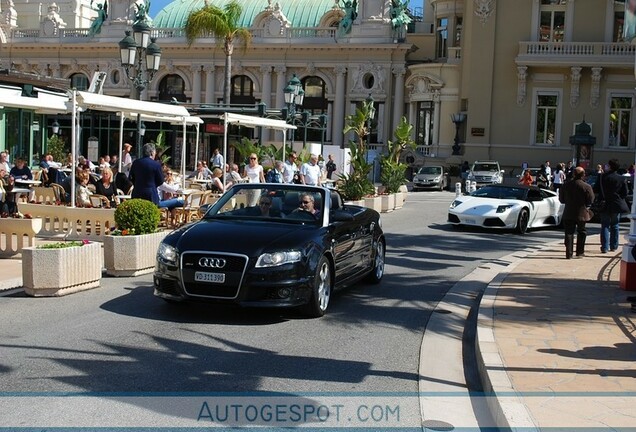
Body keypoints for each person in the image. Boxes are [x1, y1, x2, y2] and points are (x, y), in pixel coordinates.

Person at [593, 159, 630, 254]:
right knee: (615, 225)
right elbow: (625, 193)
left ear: (609, 166)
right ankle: (614, 246)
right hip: (616, 204)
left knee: (605, 225)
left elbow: (596, 189)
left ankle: (604, 247)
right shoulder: (621, 179)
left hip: (604, 203)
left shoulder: (602, 177)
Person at [559, 167, 594, 259]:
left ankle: (569, 253)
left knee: (569, 233)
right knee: (582, 231)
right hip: (581, 212)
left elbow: (561, 200)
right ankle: (580, 251)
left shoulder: (566, 185)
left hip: (568, 212)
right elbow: (590, 200)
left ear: (574, 174)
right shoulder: (587, 186)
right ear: (583, 175)